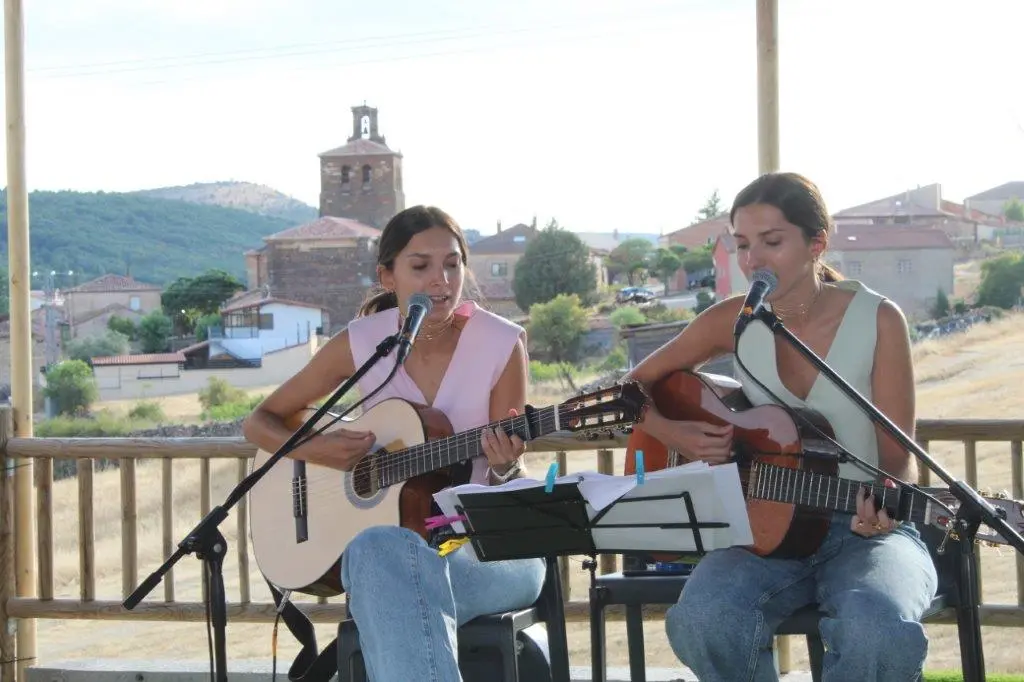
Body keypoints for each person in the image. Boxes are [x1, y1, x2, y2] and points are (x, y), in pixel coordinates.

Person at [625, 172, 938, 681]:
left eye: (771, 242)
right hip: (763, 530)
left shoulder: (879, 318)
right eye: (743, 245)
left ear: (817, 243)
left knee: (877, 629)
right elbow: (630, 388)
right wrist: (672, 433)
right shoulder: (734, 318)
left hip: (868, 531)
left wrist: (883, 503)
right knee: (704, 619)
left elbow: (897, 457)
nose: (753, 261)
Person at [242, 205, 546, 682]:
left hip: (493, 549)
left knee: (387, 571)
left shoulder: (501, 342)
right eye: (421, 266)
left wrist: (505, 467)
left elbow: (507, 473)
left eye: (452, 263)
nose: (441, 279)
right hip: (398, 552)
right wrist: (319, 450)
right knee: (381, 550)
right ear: (388, 276)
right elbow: (260, 422)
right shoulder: (365, 343)